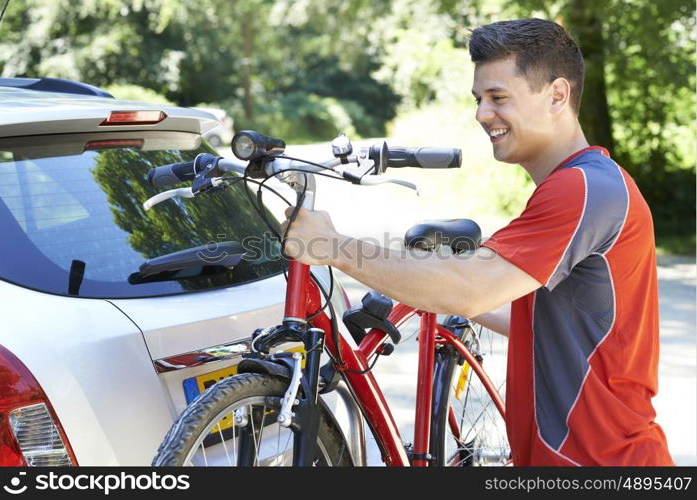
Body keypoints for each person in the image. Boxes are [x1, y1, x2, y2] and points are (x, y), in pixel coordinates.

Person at [280, 18, 673, 466]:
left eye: (498, 98)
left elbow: (472, 289)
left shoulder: (583, 190)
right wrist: (419, 281)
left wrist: (333, 246)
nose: (482, 114)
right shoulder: (583, 184)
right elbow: (551, 321)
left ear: (557, 95)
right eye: (479, 99)